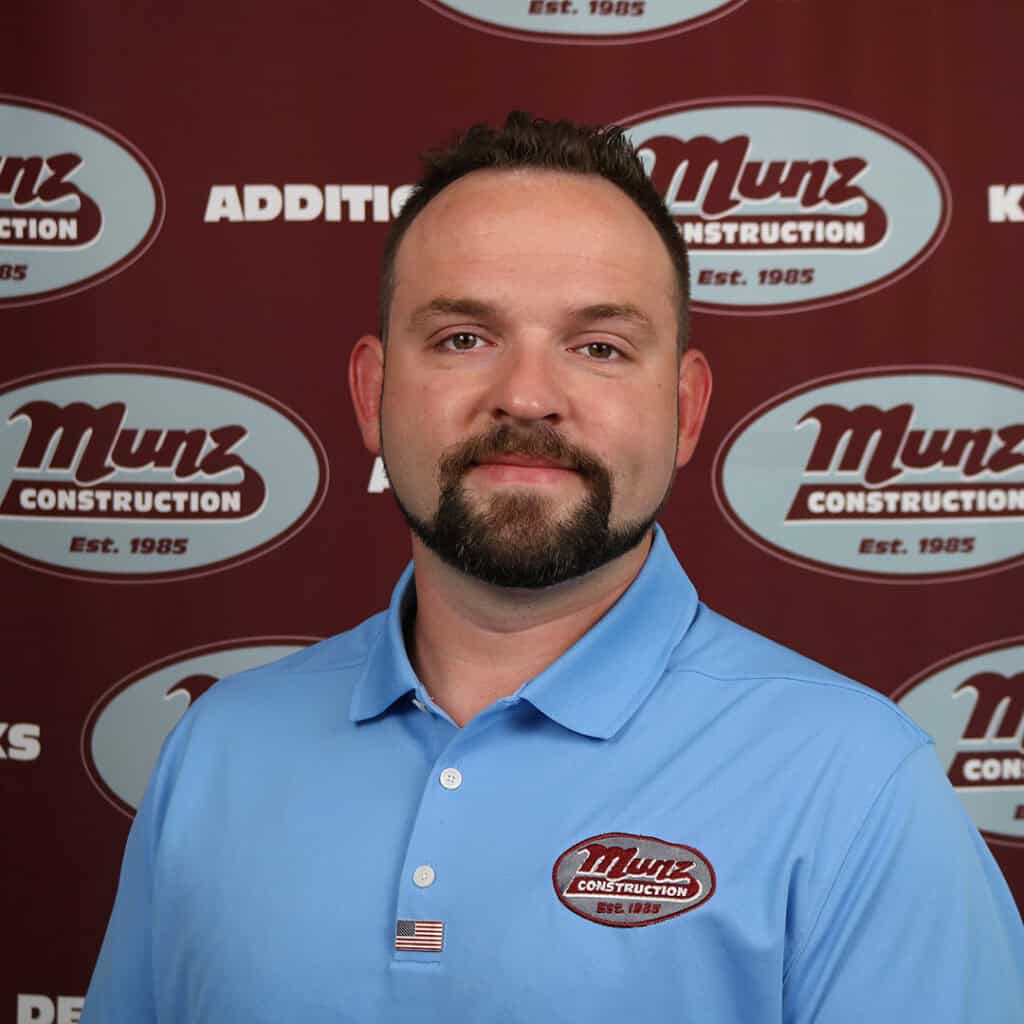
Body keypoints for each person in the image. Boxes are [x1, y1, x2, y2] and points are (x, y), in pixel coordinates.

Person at [82, 112, 1023, 1022]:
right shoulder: (218, 751)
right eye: (463, 339)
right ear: (373, 394)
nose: (527, 395)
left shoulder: (854, 784)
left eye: (599, 347)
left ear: (686, 411)